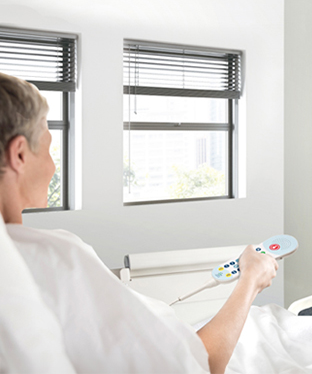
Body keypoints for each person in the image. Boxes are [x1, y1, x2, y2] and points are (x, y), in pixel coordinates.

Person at [0, 72, 276, 374]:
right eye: (50, 148)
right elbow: (203, 365)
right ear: (20, 154)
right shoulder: (55, 257)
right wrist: (251, 279)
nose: (54, 167)